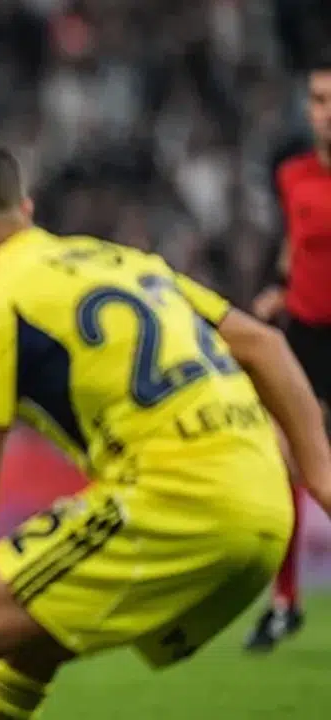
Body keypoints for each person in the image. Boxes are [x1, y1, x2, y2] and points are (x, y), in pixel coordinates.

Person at [0, 140, 331, 719]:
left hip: (179, 501)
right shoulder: (121, 261)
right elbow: (265, 345)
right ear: (26, 211)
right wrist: (319, 478)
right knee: (28, 650)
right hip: (265, 507)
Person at [244, 54, 331, 652]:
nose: (328, 113)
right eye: (320, 101)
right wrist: (280, 285)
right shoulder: (292, 174)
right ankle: (284, 601)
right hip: (304, 334)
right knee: (283, 462)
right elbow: (296, 242)